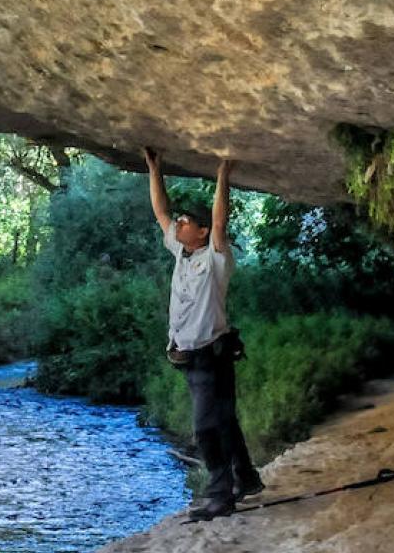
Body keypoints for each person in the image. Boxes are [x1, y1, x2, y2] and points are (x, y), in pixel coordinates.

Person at [143, 147, 263, 521]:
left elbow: (221, 223)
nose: (177, 225)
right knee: (224, 419)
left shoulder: (215, 260)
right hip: (194, 358)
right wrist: (155, 169)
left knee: (206, 427)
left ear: (203, 231)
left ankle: (219, 494)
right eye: (179, 223)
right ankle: (246, 479)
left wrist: (223, 174)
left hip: (211, 356)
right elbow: (160, 212)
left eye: (185, 222)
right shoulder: (182, 253)